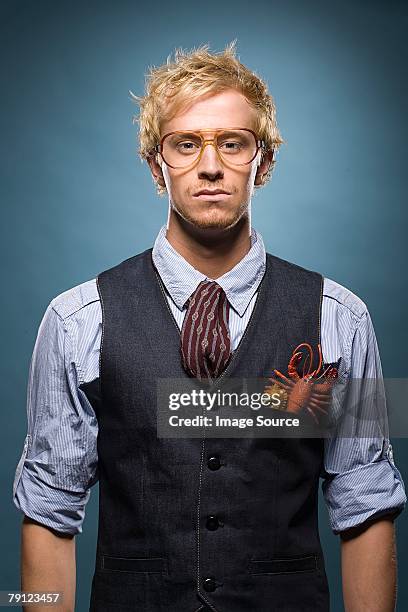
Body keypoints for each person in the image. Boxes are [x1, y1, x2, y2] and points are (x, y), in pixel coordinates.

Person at [13, 42, 406, 612]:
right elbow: (49, 508)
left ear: (263, 162)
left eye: (232, 142)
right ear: (156, 165)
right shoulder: (76, 321)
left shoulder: (340, 318)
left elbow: (365, 503)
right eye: (186, 144)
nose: (211, 165)